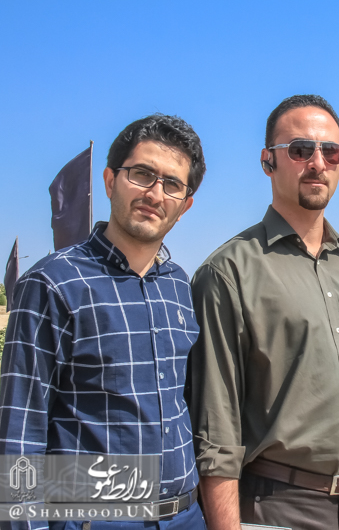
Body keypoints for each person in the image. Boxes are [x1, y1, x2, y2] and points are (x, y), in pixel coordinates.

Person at [190, 94, 339, 530]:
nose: (318, 163)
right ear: (268, 161)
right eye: (300, 150)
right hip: (278, 506)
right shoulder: (229, 271)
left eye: (331, 151)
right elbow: (217, 423)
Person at [0, 114, 207, 529]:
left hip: (185, 515)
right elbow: (20, 434)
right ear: (111, 180)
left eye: (172, 184)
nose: (155, 193)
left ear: (185, 206)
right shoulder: (55, 283)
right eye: (142, 174)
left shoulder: (180, 287)